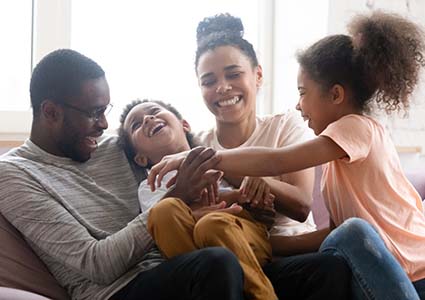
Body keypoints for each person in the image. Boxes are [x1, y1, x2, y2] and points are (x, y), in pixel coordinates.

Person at [149, 11, 425, 300]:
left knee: (352, 233)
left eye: (303, 93)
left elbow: (276, 160)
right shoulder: (336, 161)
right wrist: (259, 243)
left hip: (412, 269)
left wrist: (199, 158)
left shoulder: (356, 128)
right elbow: (329, 236)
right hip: (379, 268)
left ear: (336, 95)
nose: (298, 105)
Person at [0, 49, 246, 300]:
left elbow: (177, 152)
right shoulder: (14, 174)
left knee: (286, 271)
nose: (104, 124)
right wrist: (177, 197)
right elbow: (96, 264)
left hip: (178, 265)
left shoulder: (115, 145)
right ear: (51, 112)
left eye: (105, 110)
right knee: (216, 264)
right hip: (116, 291)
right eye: (94, 113)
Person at [118, 98, 279, 300]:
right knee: (163, 211)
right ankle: (210, 282)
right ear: (140, 158)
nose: (148, 119)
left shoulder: (218, 160)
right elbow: (165, 224)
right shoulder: (150, 186)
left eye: (154, 111)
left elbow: (249, 198)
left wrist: (252, 191)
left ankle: (263, 295)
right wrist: (223, 201)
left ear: (184, 125)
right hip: (197, 249)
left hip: (241, 235)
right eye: (136, 124)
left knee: (212, 224)